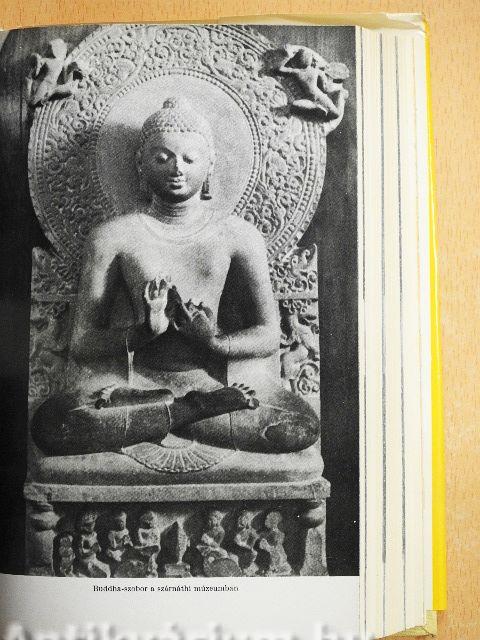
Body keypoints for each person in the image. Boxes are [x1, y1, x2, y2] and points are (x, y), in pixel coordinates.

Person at [31, 97, 320, 457]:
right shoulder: (112, 237)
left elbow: (268, 335)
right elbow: (84, 342)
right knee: (51, 425)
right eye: (162, 158)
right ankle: (190, 411)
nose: (176, 168)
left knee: (300, 425)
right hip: (135, 389)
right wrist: (144, 331)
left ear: (210, 164)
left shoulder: (239, 235)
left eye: (189, 158)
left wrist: (213, 341)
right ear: (141, 164)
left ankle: (163, 416)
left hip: (214, 383)